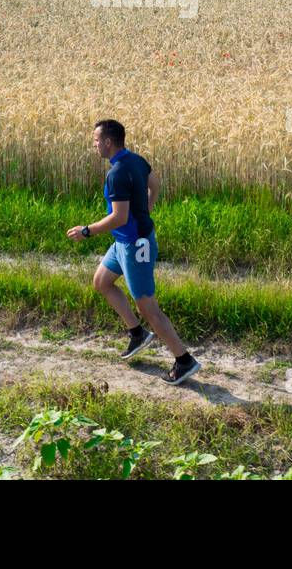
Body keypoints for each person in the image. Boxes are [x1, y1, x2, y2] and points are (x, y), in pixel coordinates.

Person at [65, 118, 201, 386]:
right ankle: (137, 333)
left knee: (148, 306)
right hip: (124, 242)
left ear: (107, 142)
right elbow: (156, 184)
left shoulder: (115, 174)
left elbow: (118, 217)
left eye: (95, 140)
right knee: (101, 282)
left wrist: (87, 231)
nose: (93, 145)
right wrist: (147, 208)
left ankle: (184, 360)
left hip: (136, 245)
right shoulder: (137, 160)